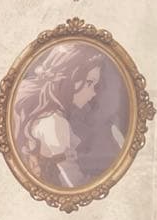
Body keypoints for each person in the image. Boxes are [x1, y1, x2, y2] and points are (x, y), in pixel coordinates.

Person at [12, 41, 123, 188]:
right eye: (89, 83)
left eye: (95, 85)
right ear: (70, 80)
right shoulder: (54, 122)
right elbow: (73, 185)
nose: (93, 93)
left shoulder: (46, 116)